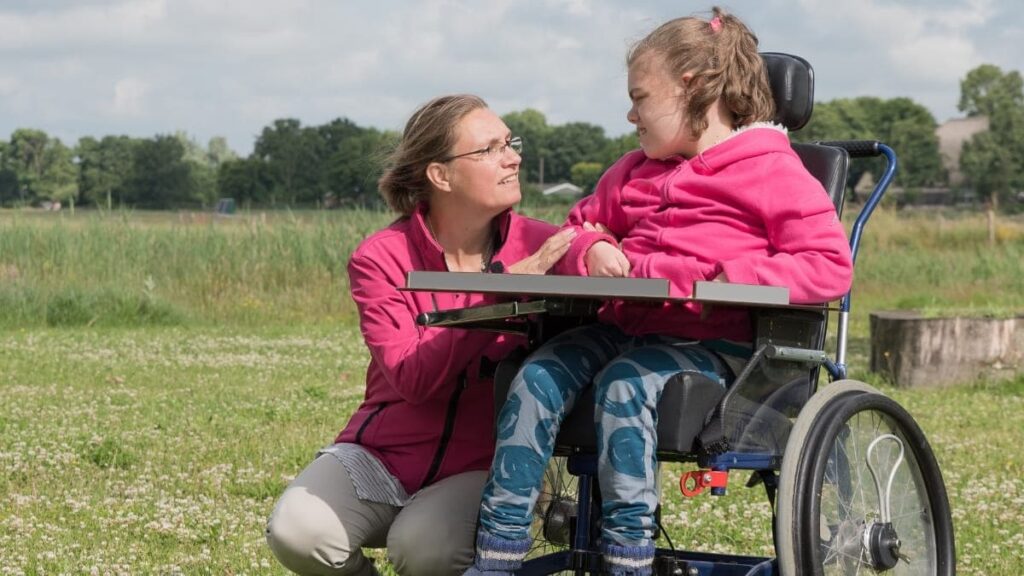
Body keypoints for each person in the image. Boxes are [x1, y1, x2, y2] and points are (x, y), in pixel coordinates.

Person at [464, 7, 854, 576]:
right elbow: (580, 227)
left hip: (718, 347)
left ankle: (628, 558)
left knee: (627, 384)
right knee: (535, 377)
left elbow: (826, 267)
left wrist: (728, 276)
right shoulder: (631, 171)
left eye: (640, 97)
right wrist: (589, 252)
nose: (630, 114)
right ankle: (496, 555)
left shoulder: (774, 172)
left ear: (692, 88)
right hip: (622, 327)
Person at [266, 94, 576, 576]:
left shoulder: (542, 244)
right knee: (298, 532)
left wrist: (596, 244)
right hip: (381, 453)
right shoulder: (380, 258)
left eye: (510, 143)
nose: (513, 157)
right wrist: (498, 298)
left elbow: (594, 238)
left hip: (485, 466)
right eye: (489, 149)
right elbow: (412, 379)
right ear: (440, 175)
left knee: (423, 547)